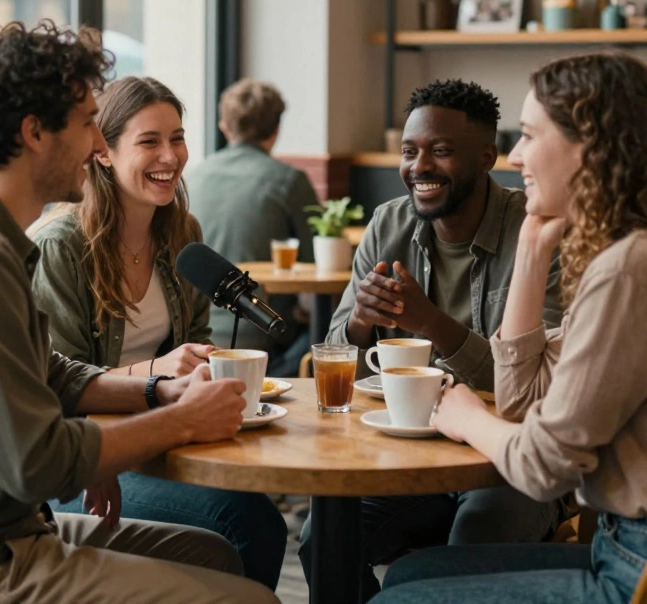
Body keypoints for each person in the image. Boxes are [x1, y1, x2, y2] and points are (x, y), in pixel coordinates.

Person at [0, 20, 278, 604]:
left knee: (221, 553)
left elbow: (53, 372)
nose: (98, 146)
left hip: (24, 527)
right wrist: (182, 420)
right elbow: (37, 462)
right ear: (34, 134)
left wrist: (160, 393)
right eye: (86, 127)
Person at [370, 51, 647, 603]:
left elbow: (542, 468)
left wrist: (469, 416)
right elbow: (523, 403)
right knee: (405, 578)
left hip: (630, 570)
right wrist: (531, 249)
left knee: (397, 600)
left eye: (529, 136)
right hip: (618, 548)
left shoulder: (627, 269)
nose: (516, 155)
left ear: (589, 146)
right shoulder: (618, 255)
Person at [299, 79, 566, 599]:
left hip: (505, 462)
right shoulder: (387, 224)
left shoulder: (535, 235)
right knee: (323, 539)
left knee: (466, 554)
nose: (419, 167)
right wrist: (358, 323)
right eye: (409, 151)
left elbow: (535, 387)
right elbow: (335, 356)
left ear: (488, 156)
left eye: (440, 151)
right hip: (409, 451)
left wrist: (431, 323)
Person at [29, 75, 287, 590]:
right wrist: (161, 371)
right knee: (248, 522)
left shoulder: (181, 233)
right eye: (149, 141)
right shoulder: (61, 246)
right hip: (87, 458)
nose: (171, 156)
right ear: (102, 152)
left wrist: (202, 364)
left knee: (257, 522)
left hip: (165, 439)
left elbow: (195, 338)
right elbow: (59, 387)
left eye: (178, 137)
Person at [185, 78, 319, 377]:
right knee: (324, 335)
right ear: (276, 129)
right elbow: (316, 265)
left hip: (193, 341)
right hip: (264, 339)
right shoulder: (290, 182)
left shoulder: (192, 178)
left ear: (224, 126)